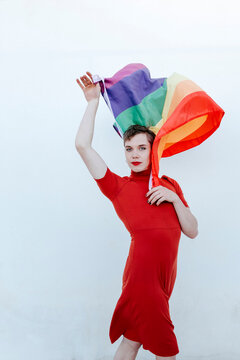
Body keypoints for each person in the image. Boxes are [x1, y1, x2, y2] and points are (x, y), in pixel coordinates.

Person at [75, 71, 199, 360]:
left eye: (142, 147)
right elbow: (82, 146)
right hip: (143, 283)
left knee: (132, 342)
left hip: (163, 283)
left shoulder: (169, 186)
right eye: (128, 148)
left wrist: (174, 199)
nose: (134, 154)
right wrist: (92, 102)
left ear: (153, 148)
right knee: (166, 352)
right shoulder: (119, 187)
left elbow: (192, 230)